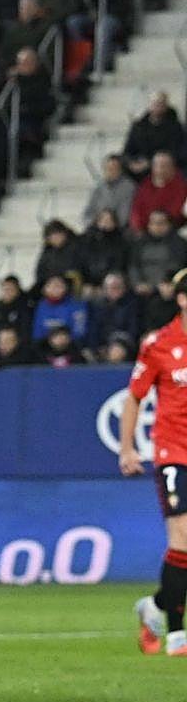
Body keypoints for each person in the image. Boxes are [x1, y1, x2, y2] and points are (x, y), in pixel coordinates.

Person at [123, 266, 187, 656]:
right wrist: (126, 448)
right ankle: (178, 632)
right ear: (182, 299)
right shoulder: (159, 343)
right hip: (173, 453)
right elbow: (134, 396)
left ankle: (156, 606)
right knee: (182, 538)